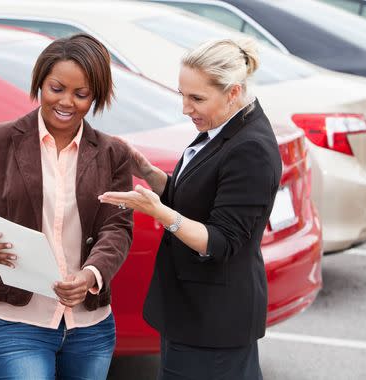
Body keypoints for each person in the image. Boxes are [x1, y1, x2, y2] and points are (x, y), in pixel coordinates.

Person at [0, 33, 133, 380]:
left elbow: (117, 229)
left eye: (81, 94)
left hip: (89, 326)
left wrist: (91, 275)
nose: (67, 102)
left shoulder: (113, 154)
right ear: (40, 84)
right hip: (13, 322)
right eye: (57, 88)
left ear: (96, 95)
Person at [99, 38, 281, 380]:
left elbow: (221, 241)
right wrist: (149, 173)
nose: (185, 108)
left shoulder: (250, 149)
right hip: (191, 315)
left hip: (214, 324)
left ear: (232, 92)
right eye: (182, 95)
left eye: (196, 98)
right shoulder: (222, 126)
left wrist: (158, 212)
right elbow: (199, 199)